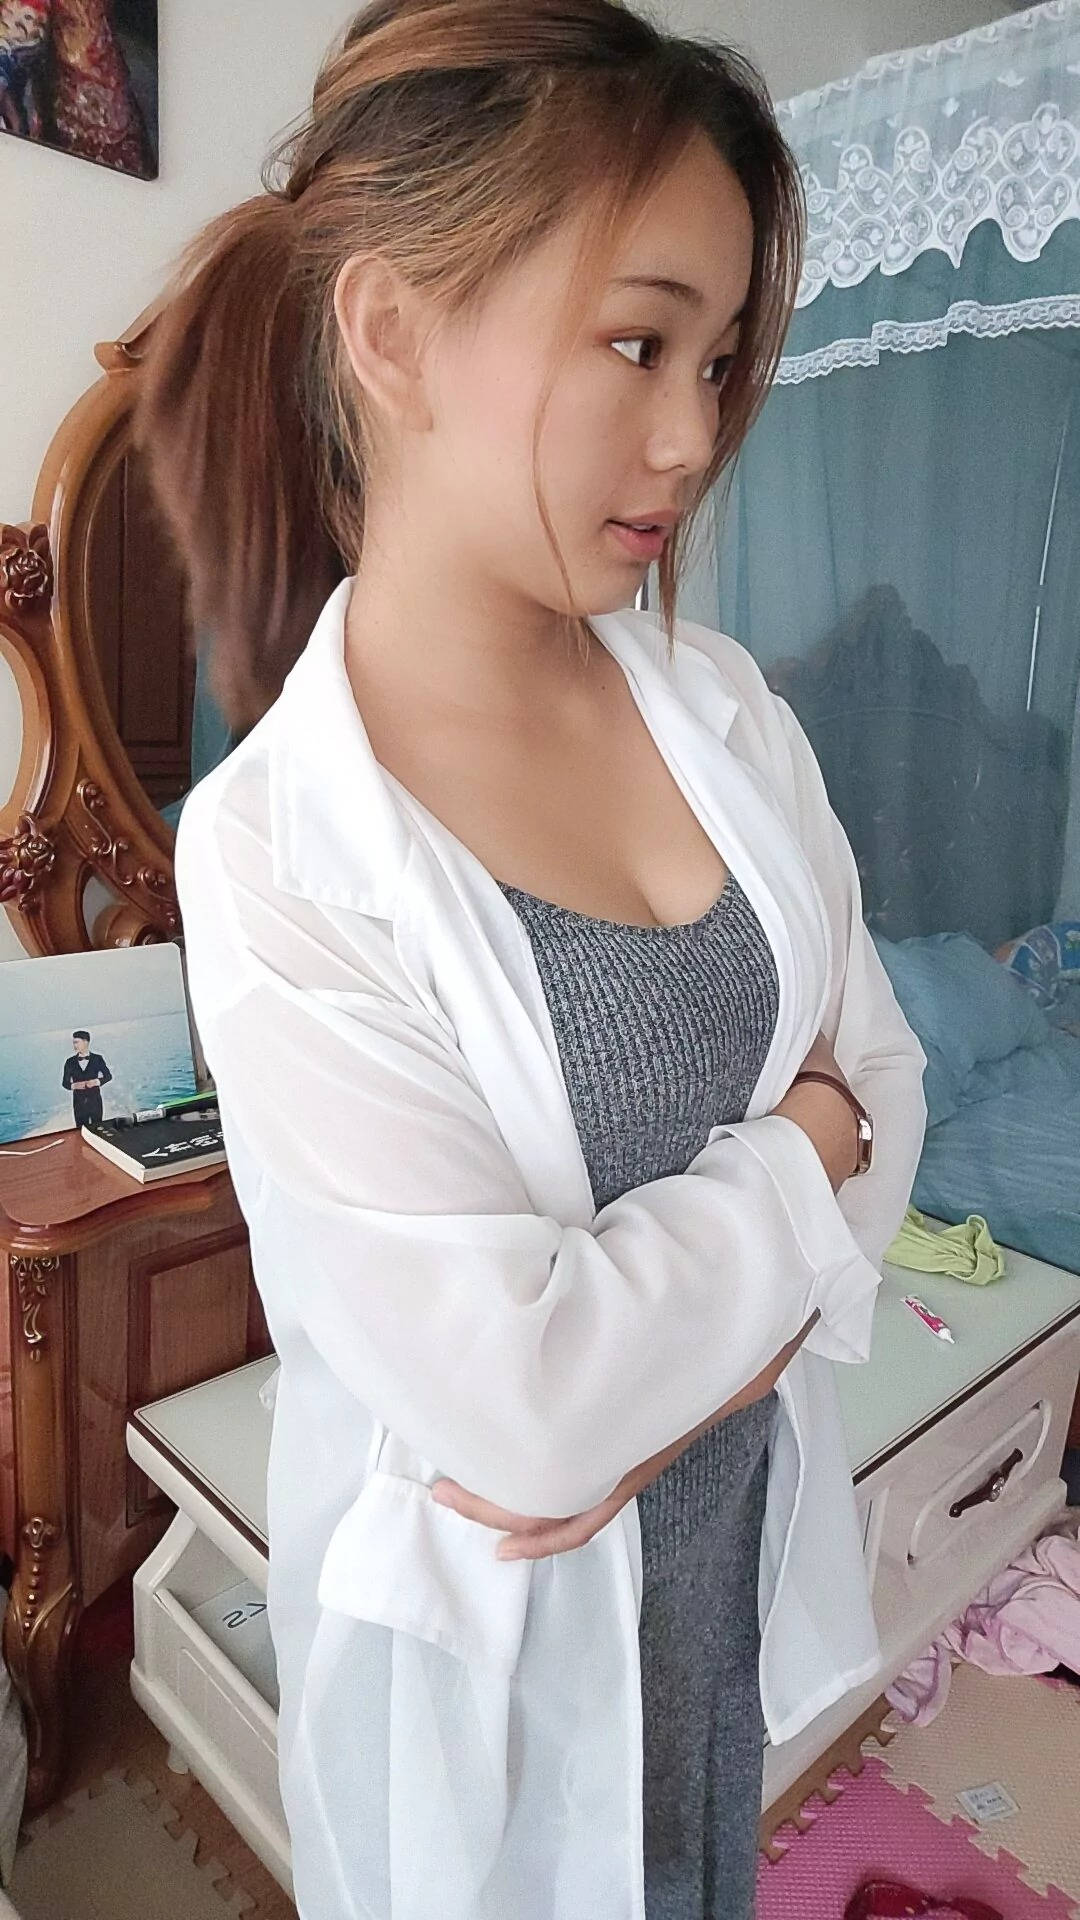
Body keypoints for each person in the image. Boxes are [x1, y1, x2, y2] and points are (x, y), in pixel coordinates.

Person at [136, 4, 928, 1916]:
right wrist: (800, 1158)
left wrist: (661, 1392)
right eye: (639, 343)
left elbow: (894, 1098)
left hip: (716, 1592)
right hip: (484, 1688)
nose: (694, 435)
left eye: (719, 360)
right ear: (394, 333)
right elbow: (529, 1399)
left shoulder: (728, 716)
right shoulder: (278, 848)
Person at [61, 1028, 112, 1130]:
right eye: (74, 1043)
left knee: (98, 1129)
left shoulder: (98, 1059)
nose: (74, 1045)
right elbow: (65, 1083)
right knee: (81, 1130)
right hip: (79, 1104)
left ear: (85, 1042)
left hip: (95, 1102)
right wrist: (74, 1086)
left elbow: (108, 1076)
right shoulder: (69, 1062)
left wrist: (96, 1082)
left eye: (77, 1042)